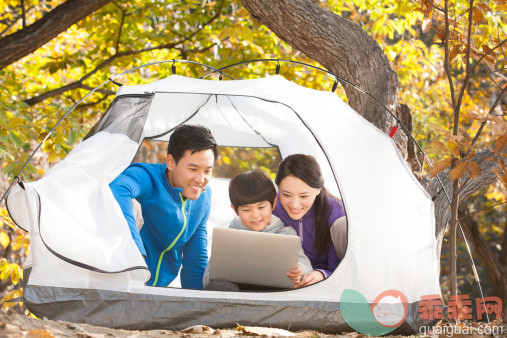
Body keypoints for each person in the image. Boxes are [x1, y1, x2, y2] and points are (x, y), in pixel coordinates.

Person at [109, 124, 217, 289]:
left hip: (159, 291)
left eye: (207, 171)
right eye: (193, 169)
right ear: (171, 162)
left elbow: (195, 258)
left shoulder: (204, 197)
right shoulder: (148, 177)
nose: (201, 179)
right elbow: (118, 188)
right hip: (124, 284)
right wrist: (136, 252)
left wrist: (199, 305)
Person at [203, 169, 313, 291]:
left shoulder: (287, 234)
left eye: (261, 207)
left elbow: (307, 266)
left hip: (274, 291)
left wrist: (299, 270)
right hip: (237, 292)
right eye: (246, 210)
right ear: (235, 210)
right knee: (217, 286)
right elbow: (207, 277)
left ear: (273, 203)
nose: (255, 215)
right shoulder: (228, 236)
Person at [273, 154, 347, 288]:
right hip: (283, 279)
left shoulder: (336, 211)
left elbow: (344, 267)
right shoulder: (272, 206)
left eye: (304, 196)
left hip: (324, 283)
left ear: (318, 189)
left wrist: (322, 274)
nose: (294, 205)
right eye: (286, 194)